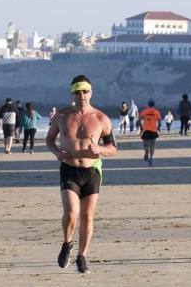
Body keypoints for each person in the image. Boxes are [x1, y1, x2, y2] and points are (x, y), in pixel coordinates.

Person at [46, 75, 117, 274]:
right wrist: (56, 153)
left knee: (87, 216)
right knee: (71, 214)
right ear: (72, 93)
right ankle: (67, 243)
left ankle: (82, 256)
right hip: (69, 169)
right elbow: (50, 139)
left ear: (91, 93)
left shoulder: (101, 119)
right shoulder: (62, 116)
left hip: (92, 171)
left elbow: (113, 148)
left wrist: (101, 150)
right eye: (78, 91)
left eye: (85, 91)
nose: (82, 95)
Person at [140, 100, 161, 166]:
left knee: (145, 144)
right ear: (153, 105)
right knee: (152, 146)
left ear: (148, 104)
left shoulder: (144, 111)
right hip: (153, 131)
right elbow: (160, 122)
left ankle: (146, 150)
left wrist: (141, 127)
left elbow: (139, 119)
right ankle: (151, 158)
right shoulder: (157, 112)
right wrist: (158, 128)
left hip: (146, 130)